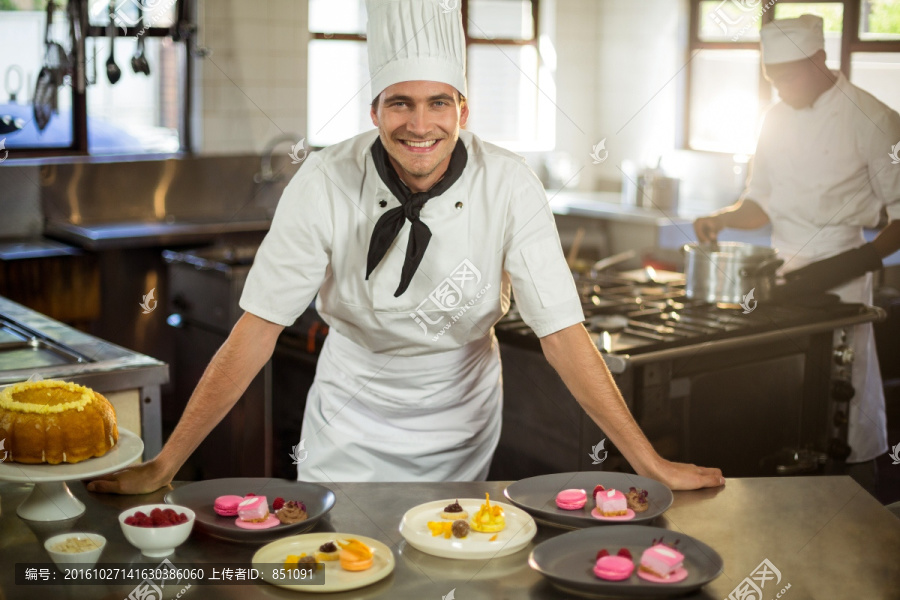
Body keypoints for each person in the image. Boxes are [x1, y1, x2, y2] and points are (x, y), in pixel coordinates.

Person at [89, 0, 723, 494]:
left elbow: (561, 331)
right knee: (341, 564)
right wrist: (168, 461)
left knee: (439, 560)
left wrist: (649, 462)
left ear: (463, 110)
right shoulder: (324, 180)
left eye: (437, 103)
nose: (420, 125)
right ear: (374, 109)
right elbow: (255, 330)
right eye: (401, 104)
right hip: (348, 417)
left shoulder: (509, 184)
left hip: (462, 417)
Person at [694, 15, 900, 490]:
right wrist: (723, 218)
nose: (781, 89)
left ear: (820, 60)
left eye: (789, 76)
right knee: (784, 394)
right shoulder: (775, 117)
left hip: (843, 279)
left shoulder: (874, 118)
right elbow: (760, 203)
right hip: (780, 277)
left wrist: (858, 262)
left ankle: (854, 494)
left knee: (838, 399)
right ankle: (783, 492)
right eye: (773, 79)